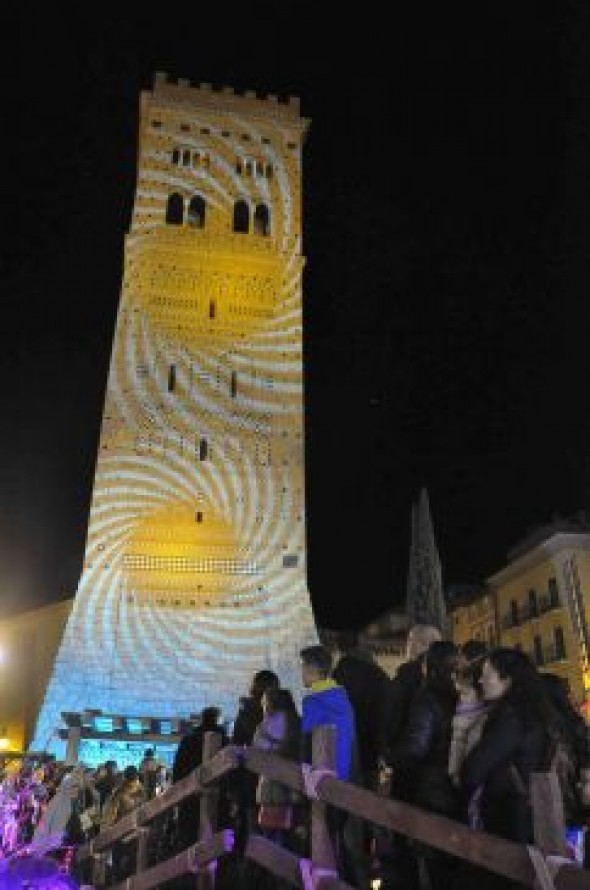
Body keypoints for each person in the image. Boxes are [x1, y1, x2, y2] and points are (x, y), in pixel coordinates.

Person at [300, 644, 363, 886]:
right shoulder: (342, 698)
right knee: (338, 839)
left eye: (303, 668)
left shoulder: (314, 701)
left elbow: (307, 745)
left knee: (321, 842)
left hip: (322, 780)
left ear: (312, 669)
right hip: (344, 777)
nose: (301, 673)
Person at [332, 630, 391, 790]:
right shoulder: (377, 675)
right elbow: (384, 714)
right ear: (361, 643)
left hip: (341, 753)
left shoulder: (333, 677)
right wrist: (383, 749)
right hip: (369, 752)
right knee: (368, 802)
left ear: (338, 648)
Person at [381, 624, 442, 764]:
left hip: (408, 758)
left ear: (422, 644)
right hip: (438, 763)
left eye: (410, 640)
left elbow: (391, 716)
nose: (407, 646)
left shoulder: (406, 676)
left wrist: (388, 753)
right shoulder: (448, 676)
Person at [172, 706, 228, 850]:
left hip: (190, 795)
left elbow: (178, 769)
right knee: (215, 834)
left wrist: (178, 793)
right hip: (219, 796)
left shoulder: (188, 741)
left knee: (189, 836)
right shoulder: (226, 742)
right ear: (217, 720)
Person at [252, 687, 301, 846]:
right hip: (295, 787)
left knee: (271, 840)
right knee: (291, 840)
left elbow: (256, 756)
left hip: (271, 789)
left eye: (265, 702)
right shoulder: (298, 723)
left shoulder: (265, 725)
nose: (262, 705)